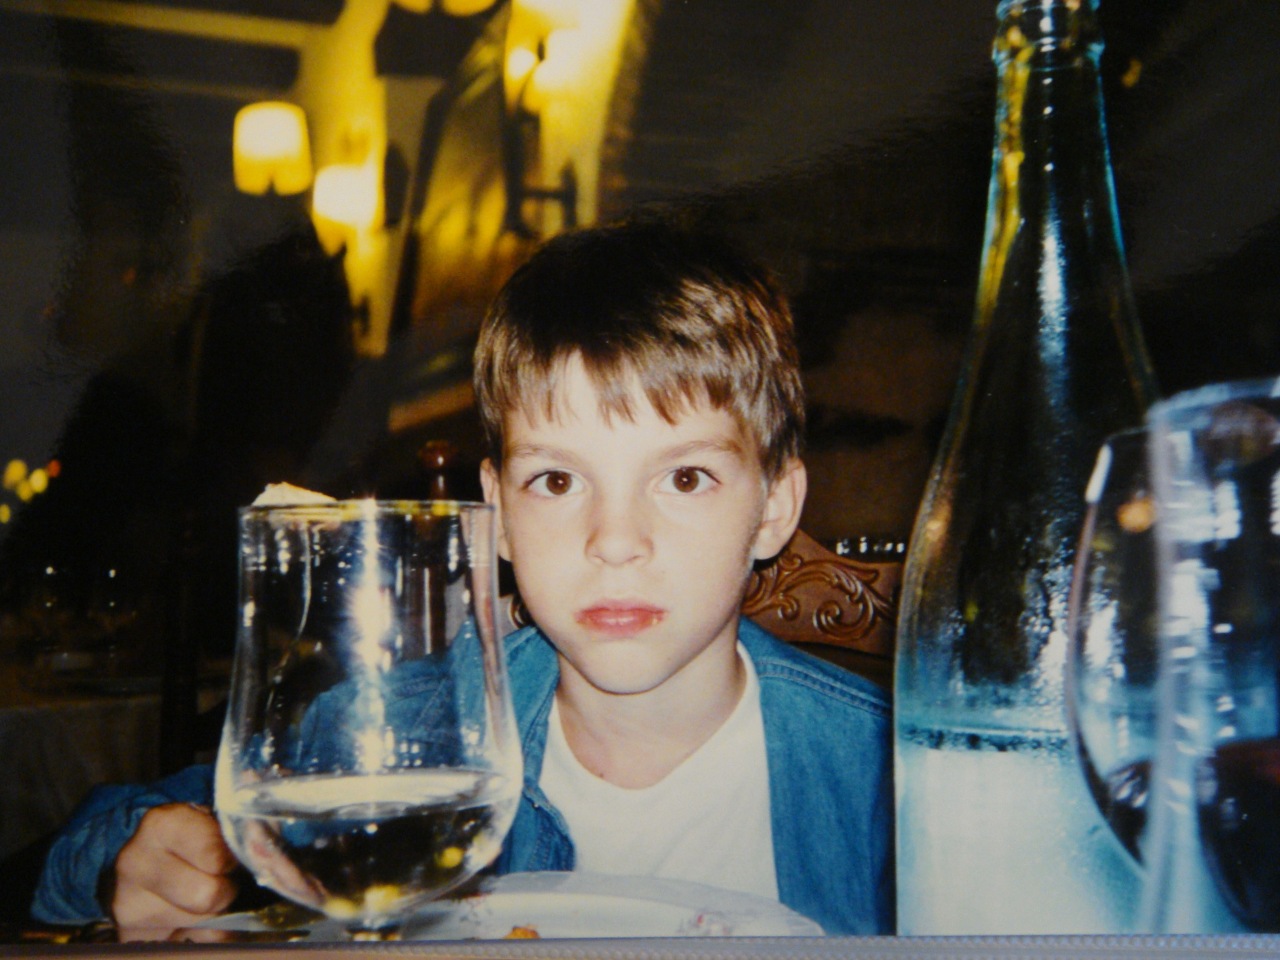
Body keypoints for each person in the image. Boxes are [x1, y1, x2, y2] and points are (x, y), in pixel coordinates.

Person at [31, 219, 893, 936]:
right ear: (499, 513)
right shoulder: (415, 734)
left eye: (685, 477)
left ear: (774, 507)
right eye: (557, 481)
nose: (615, 540)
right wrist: (131, 858)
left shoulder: (890, 777)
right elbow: (89, 849)